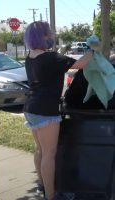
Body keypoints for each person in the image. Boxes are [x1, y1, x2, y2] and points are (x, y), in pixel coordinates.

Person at [23, 21, 92, 200]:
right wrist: (93, 49)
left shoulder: (29, 57)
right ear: (43, 37)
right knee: (49, 154)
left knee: (39, 149)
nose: (51, 36)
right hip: (46, 110)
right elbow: (82, 63)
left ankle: (42, 185)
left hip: (30, 108)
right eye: (49, 34)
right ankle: (52, 195)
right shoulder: (52, 58)